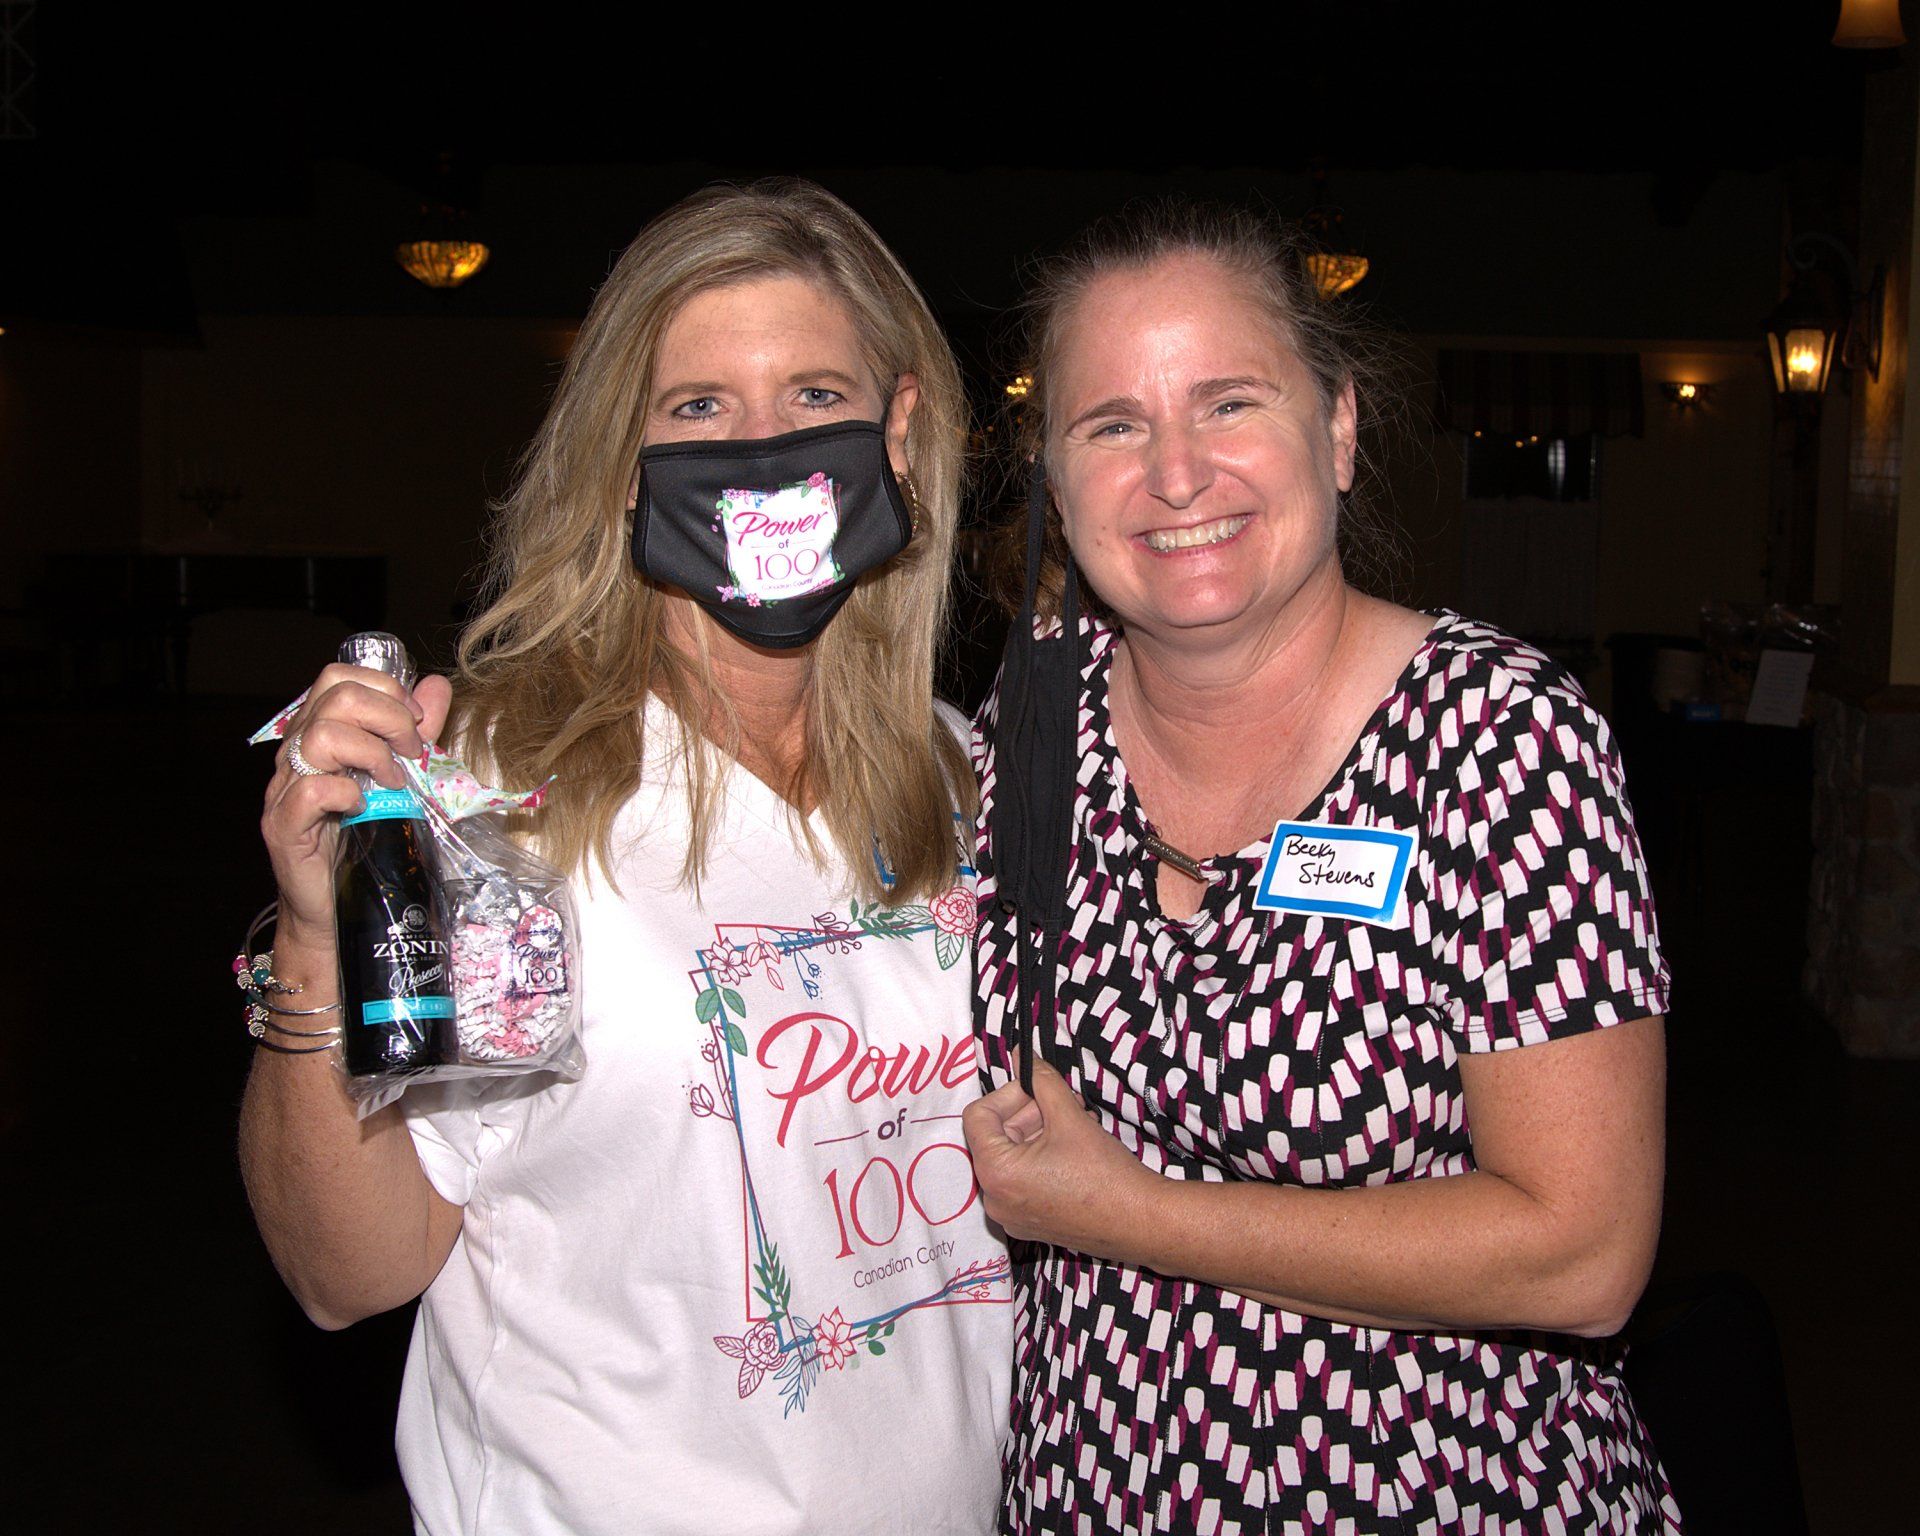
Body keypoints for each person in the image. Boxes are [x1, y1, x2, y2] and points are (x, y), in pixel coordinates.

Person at [241, 179, 1011, 1536]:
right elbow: (345, 1274)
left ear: (898, 432)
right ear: (619, 455)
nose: (762, 452)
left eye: (815, 398)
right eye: (698, 408)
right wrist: (319, 939)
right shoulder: (488, 796)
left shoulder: (966, 776)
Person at [961, 204, 1682, 1535]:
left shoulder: (1499, 742)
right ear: (1055, 485)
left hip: (1435, 1494)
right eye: (1113, 425)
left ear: (1338, 430)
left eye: (1228, 402)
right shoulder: (1030, 726)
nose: (1176, 476)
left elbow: (1586, 1253)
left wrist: (1136, 1215)